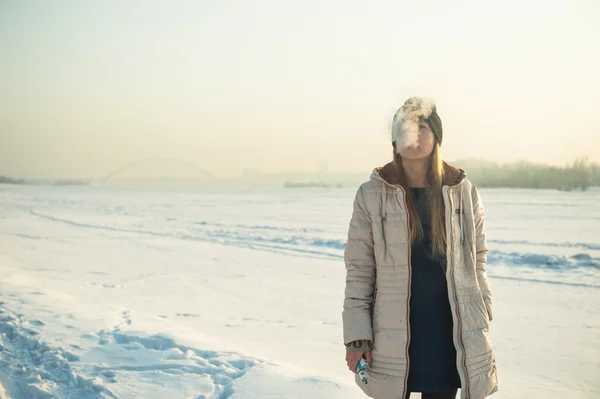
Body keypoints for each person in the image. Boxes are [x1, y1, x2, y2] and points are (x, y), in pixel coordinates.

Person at [342, 97, 498, 399]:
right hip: (393, 331)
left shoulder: (462, 191)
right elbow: (360, 270)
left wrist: (483, 307)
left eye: (422, 126)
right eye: (405, 127)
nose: (414, 133)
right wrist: (357, 337)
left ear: (436, 137)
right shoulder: (371, 194)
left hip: (450, 330)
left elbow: (478, 259)